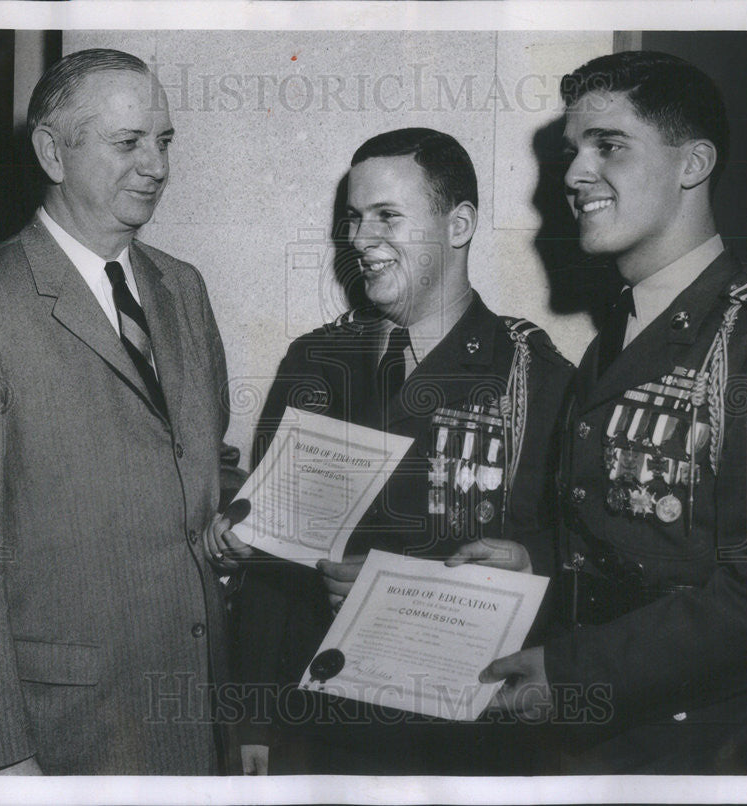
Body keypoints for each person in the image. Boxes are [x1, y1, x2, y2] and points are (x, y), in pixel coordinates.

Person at [479, 51, 747, 774]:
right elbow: (630, 533)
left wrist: (576, 672)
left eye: (609, 145)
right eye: (572, 151)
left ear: (692, 164)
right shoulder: (625, 329)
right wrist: (535, 561)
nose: (576, 173)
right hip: (606, 740)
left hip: (704, 748)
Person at [0, 49, 242, 775]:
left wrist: (228, 530)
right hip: (63, 739)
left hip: (193, 717)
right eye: (128, 143)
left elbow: (188, 474)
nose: (156, 165)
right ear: (53, 152)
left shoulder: (184, 289)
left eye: (164, 140)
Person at [205, 128, 574, 774]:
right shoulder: (318, 362)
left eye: (386, 217)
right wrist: (251, 721)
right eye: (354, 218)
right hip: (319, 739)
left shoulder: (532, 377)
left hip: (462, 745)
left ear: (457, 225)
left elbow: (573, 556)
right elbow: (270, 577)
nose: (359, 240)